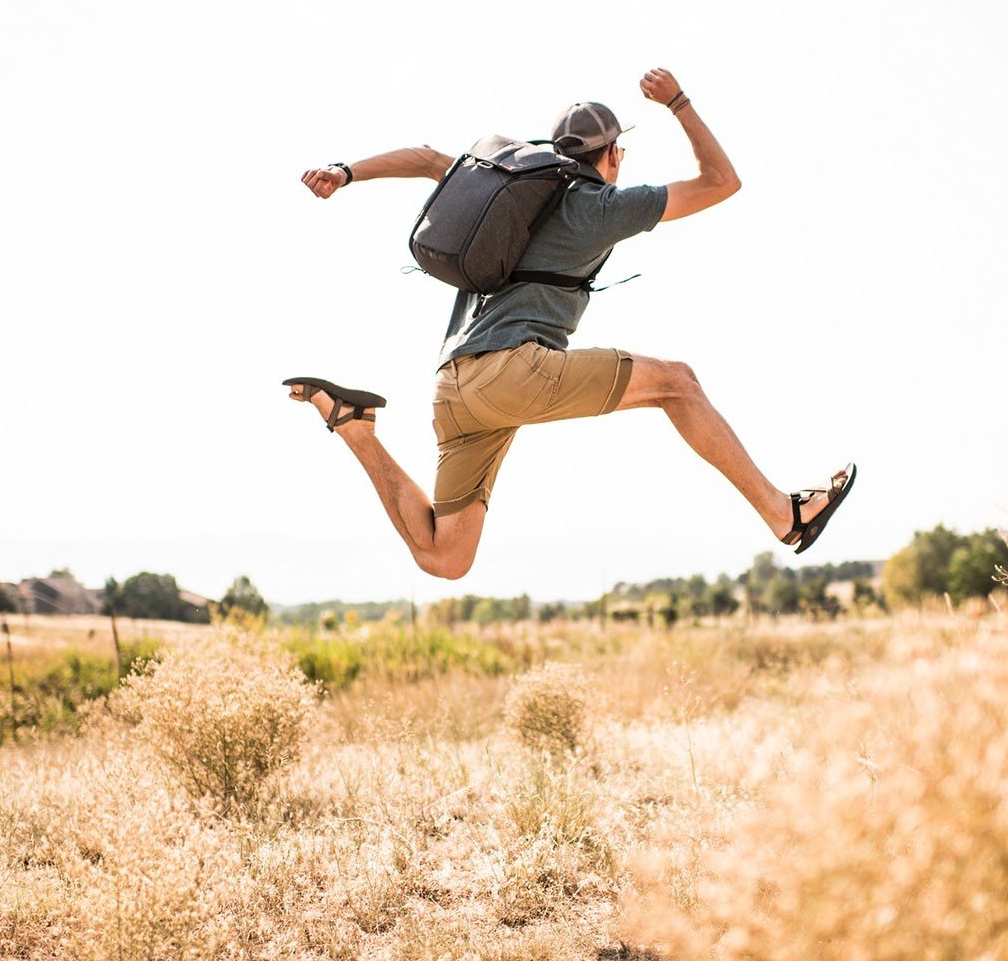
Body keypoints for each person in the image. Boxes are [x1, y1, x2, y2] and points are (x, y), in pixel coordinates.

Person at [289, 67, 854, 579]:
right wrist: (678, 101)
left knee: (445, 556)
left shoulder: (505, 184)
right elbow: (721, 181)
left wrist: (345, 172)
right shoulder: (600, 206)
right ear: (613, 155)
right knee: (677, 383)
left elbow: (426, 156)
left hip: (452, 385)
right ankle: (785, 515)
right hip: (512, 373)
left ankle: (354, 426)